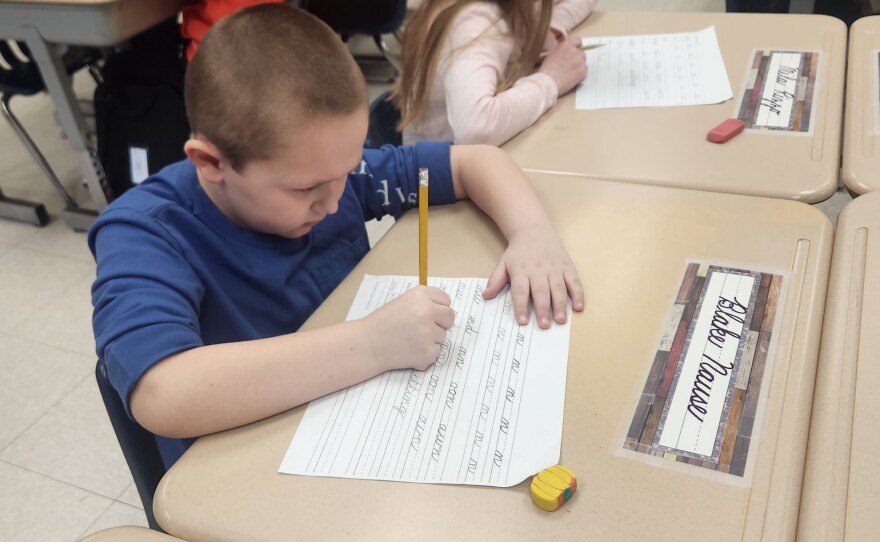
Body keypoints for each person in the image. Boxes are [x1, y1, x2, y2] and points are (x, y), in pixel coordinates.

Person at [90, 4, 585, 468]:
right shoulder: (145, 232)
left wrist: (532, 232)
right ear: (211, 163)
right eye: (306, 188)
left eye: (348, 171)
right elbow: (163, 393)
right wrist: (371, 345)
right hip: (248, 465)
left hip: (355, 417)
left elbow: (474, 160)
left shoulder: (327, 170)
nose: (332, 203)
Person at [393, 0, 597, 146]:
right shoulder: (475, 20)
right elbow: (476, 129)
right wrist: (550, 80)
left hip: (467, 166)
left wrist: (546, 29)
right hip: (427, 188)